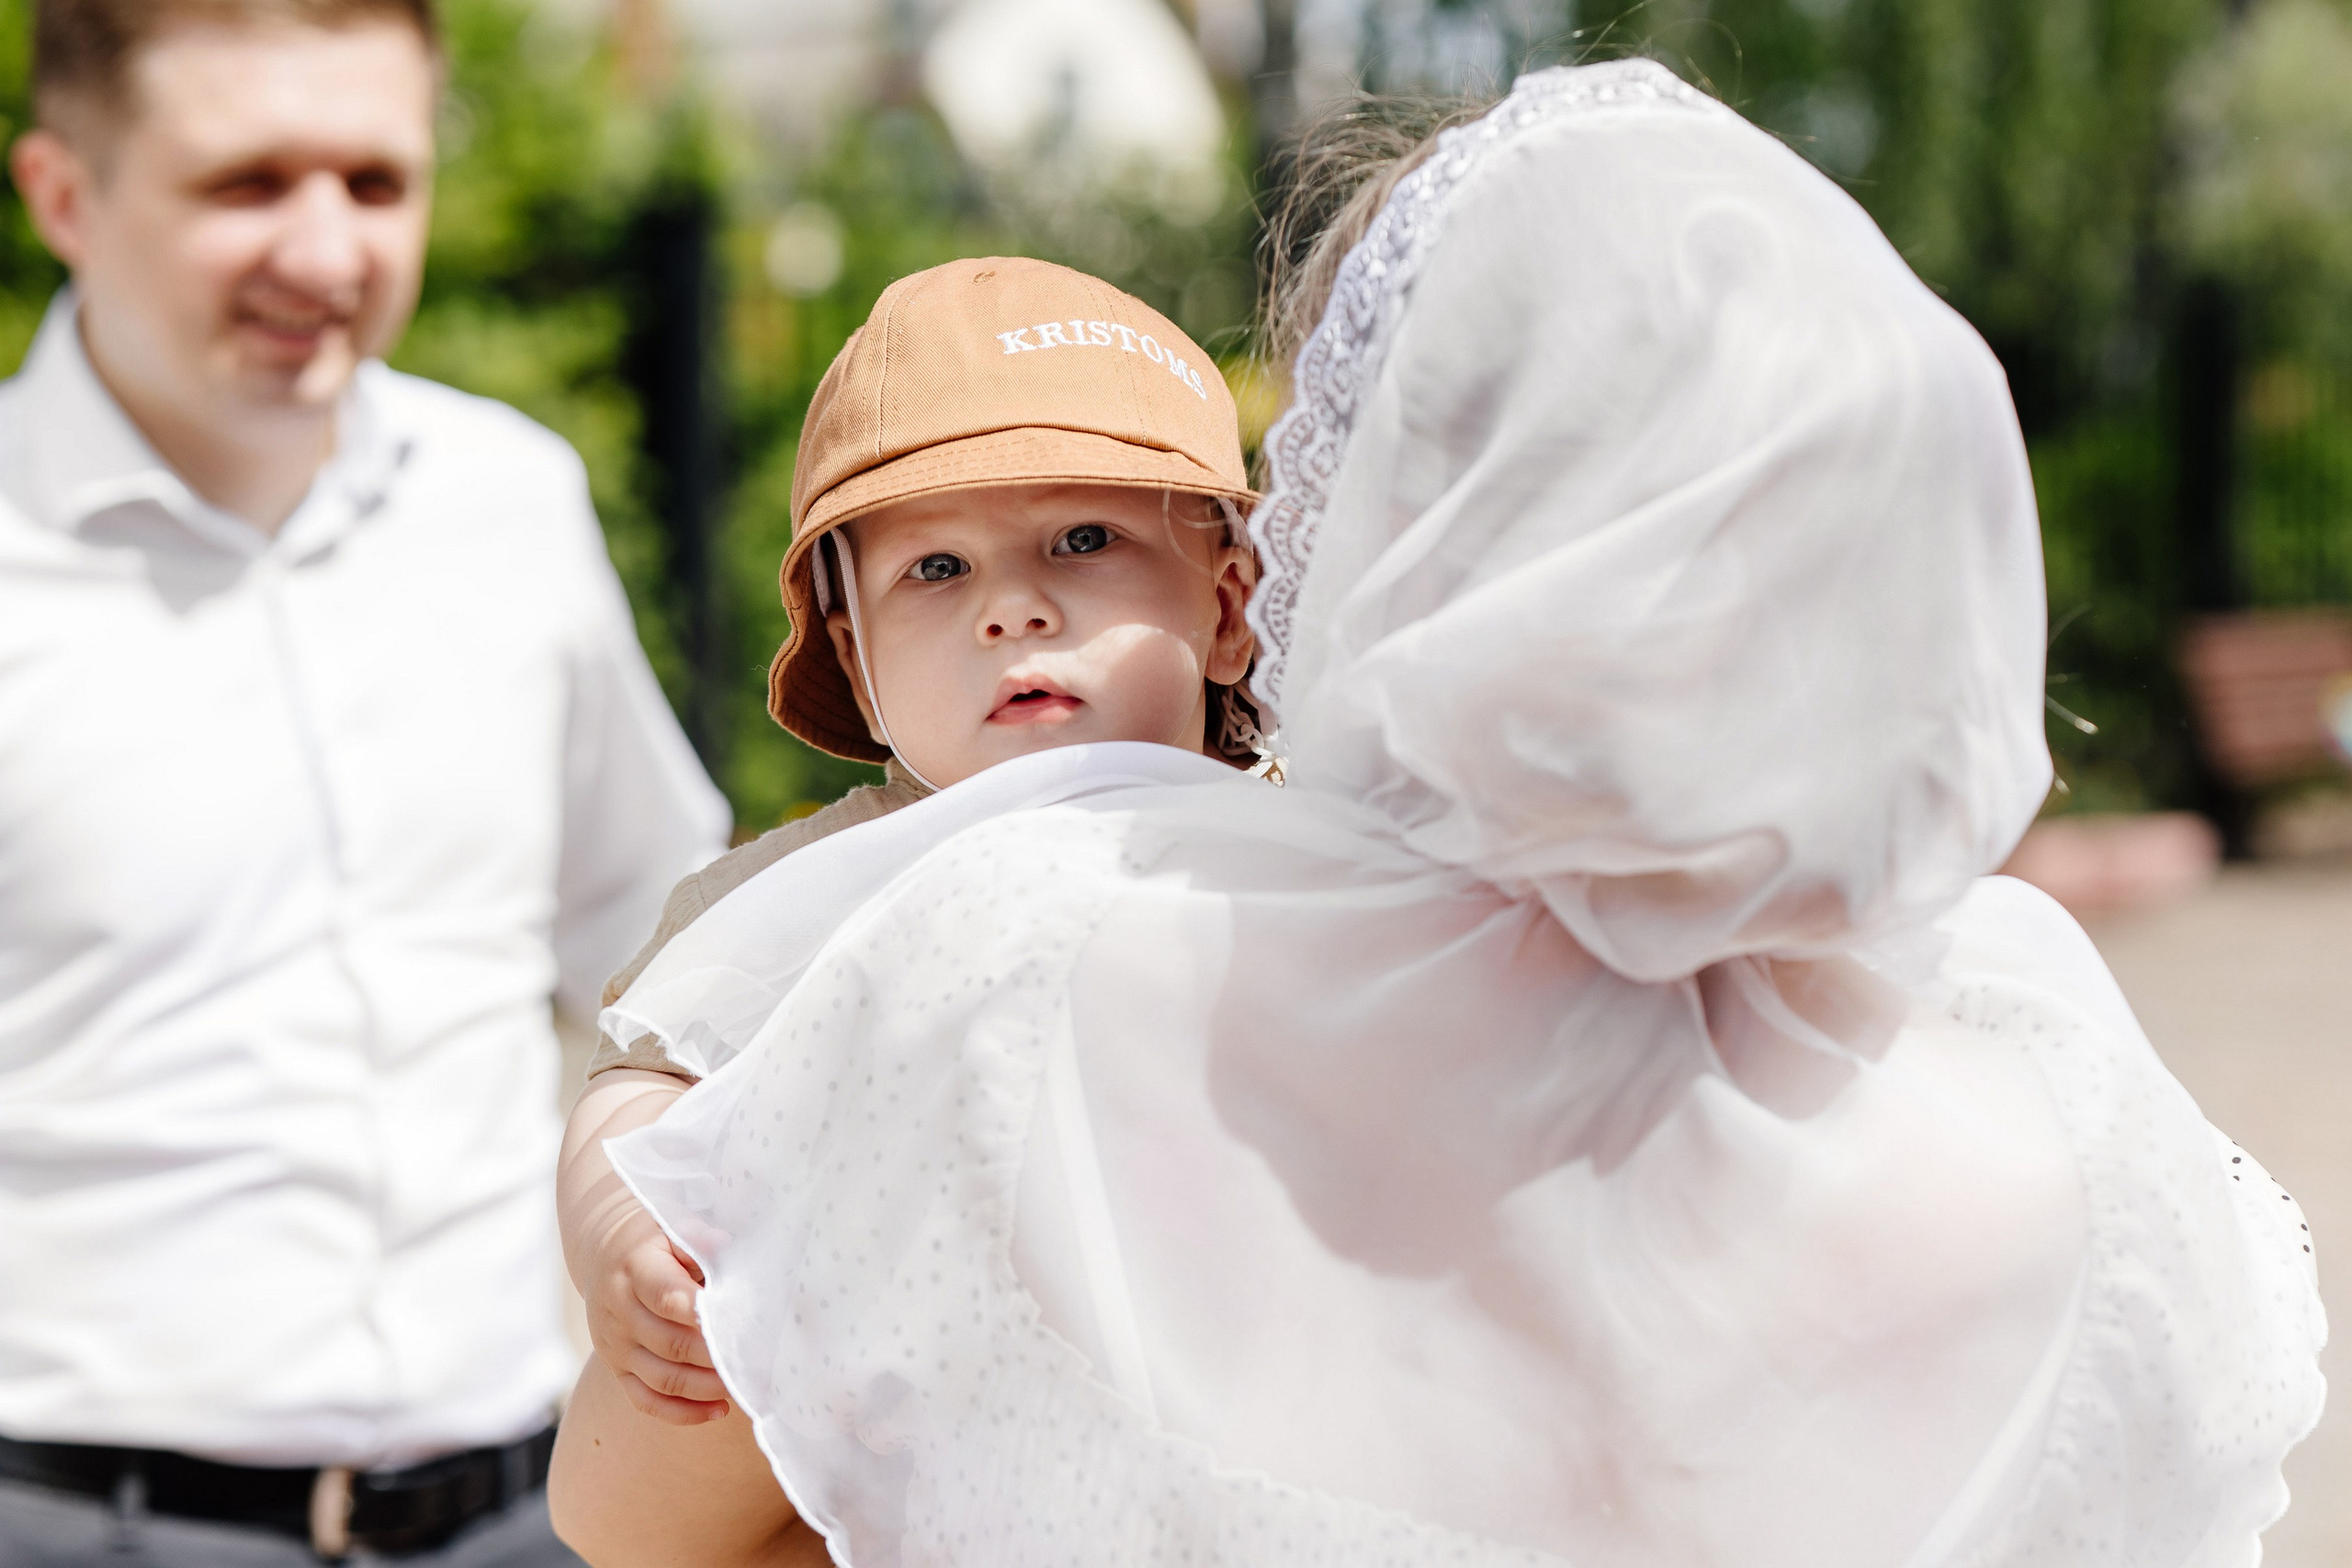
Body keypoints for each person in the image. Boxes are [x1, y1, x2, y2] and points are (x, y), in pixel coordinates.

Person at [557, 61, 2325, 1568]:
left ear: (1355, 525)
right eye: (936, 571)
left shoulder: (1018, 971)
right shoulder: (2077, 1100)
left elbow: (635, 1518)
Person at [0, 0, 731, 1559]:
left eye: (378, 183)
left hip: (532, 1512)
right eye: (247, 183)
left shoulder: (513, 503)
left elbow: (670, 960)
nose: (330, 255)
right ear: (63, 195)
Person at [548, 255, 1261, 1556]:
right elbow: (644, 1084)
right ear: (861, 674)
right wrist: (623, 1242)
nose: (1013, 607)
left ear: (1226, 611)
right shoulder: (806, 894)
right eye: (935, 569)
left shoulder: (1294, 847)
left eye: (1084, 541)